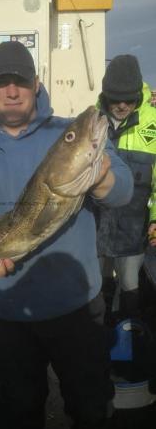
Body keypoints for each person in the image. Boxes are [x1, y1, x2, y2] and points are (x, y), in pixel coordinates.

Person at [0, 41, 133, 429]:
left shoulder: (71, 132)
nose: (11, 91)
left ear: (36, 83)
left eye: (20, 81)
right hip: (7, 311)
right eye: (1, 82)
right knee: (19, 410)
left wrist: (98, 175)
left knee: (91, 407)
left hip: (77, 308)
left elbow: (123, 191)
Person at [95, 54, 156, 319]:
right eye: (114, 98)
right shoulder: (91, 120)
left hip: (134, 231)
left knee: (130, 288)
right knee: (97, 288)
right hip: (96, 228)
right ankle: (98, 339)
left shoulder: (153, 123)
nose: (121, 105)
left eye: (128, 100)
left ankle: (128, 342)